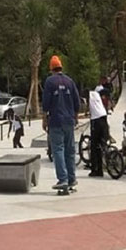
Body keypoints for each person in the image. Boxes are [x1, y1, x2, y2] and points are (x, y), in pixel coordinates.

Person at [42, 55, 80, 191]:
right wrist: (75, 117)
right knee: (70, 151)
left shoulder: (50, 82)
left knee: (58, 149)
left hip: (56, 120)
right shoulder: (70, 81)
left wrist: (44, 119)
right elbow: (77, 102)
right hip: (69, 120)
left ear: (51, 68)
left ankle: (62, 179)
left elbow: (46, 103)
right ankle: (72, 178)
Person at [87, 86, 109, 177]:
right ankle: (100, 170)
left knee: (94, 146)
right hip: (104, 118)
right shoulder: (96, 95)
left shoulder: (89, 96)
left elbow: (88, 107)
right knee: (100, 145)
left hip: (96, 121)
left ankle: (94, 170)